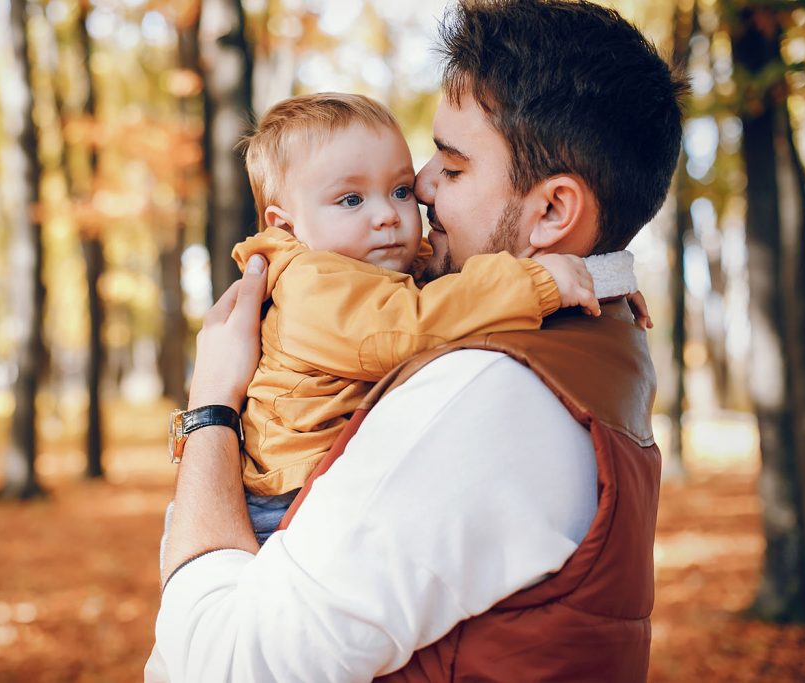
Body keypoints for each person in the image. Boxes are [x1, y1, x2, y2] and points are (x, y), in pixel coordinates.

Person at [150, 1, 686, 681]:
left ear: (552, 210)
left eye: (452, 168)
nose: (422, 190)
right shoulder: (603, 339)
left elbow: (228, 665)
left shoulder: (486, 389)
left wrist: (209, 411)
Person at [227, 92, 614, 542]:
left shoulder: (384, 265)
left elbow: (464, 285)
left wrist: (599, 279)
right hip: (286, 501)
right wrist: (539, 283)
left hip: (335, 482)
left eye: (400, 190)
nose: (388, 215)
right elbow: (414, 324)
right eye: (351, 200)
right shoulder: (312, 285)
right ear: (287, 227)